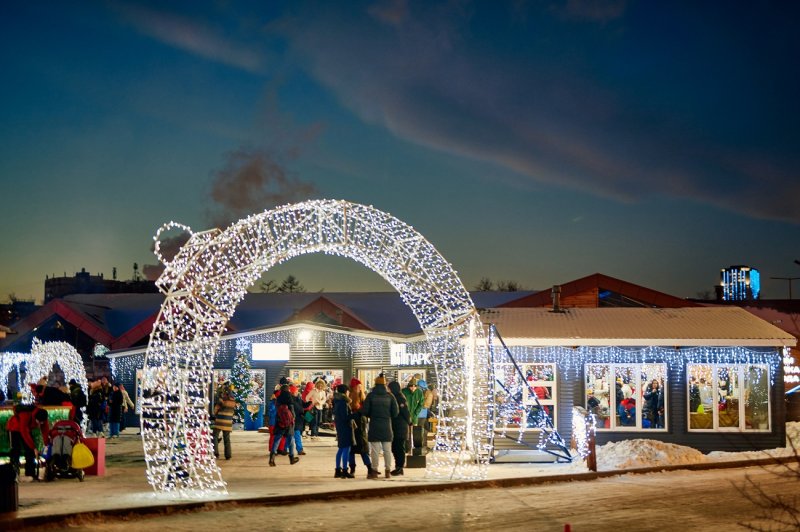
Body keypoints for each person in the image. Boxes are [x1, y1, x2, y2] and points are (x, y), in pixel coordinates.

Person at [360, 373, 398, 479]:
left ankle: (374, 470)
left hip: (374, 425)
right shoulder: (390, 396)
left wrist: (372, 415)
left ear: (375, 384)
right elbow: (395, 412)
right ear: (385, 384)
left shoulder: (371, 396)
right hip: (387, 425)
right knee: (387, 450)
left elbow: (365, 411)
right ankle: (387, 471)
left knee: (375, 450)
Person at [7, 403, 50, 481]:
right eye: (39, 422)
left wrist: (47, 445)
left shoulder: (43, 417)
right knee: (16, 450)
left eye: (42, 422)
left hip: (27, 429)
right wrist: (34, 448)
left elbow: (45, 431)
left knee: (30, 452)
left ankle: (30, 474)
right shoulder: (25, 414)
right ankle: (13, 473)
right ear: (35, 418)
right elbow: (24, 431)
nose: (40, 424)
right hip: (14, 428)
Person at [347, 378, 372, 477]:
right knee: (352, 449)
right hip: (353, 426)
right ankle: (352, 468)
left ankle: (369, 468)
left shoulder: (362, 397)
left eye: (360, 387)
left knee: (362, 449)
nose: (360, 389)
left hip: (361, 426)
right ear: (353, 388)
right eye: (358, 387)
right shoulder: (349, 398)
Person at [269, 387, 299, 466]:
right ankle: (292, 458)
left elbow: (276, 411)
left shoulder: (278, 399)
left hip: (280, 422)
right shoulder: (290, 398)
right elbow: (293, 413)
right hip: (289, 424)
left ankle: (272, 458)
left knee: (277, 440)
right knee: (291, 441)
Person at [388, 380, 411, 476]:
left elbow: (405, 412)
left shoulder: (400, 398)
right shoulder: (394, 397)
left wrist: (409, 422)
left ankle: (400, 467)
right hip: (396, 426)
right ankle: (398, 466)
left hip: (400, 427)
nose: (388, 390)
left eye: (389, 388)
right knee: (395, 447)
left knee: (399, 448)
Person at [333, 383, 355, 478]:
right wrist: (355, 414)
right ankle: (345, 470)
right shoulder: (343, 402)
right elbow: (345, 417)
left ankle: (338, 470)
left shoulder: (337, 401)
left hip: (340, 427)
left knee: (341, 448)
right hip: (345, 427)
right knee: (346, 448)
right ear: (345, 392)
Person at [212, 382, 236, 460]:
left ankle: (216, 453)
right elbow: (233, 411)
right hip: (228, 422)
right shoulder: (233, 401)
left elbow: (216, 409)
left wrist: (214, 414)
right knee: (227, 438)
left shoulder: (222, 399)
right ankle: (228, 455)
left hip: (220, 420)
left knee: (215, 436)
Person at [290, 385, 308, 456]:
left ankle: (284, 449)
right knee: (296, 435)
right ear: (293, 392)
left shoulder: (298, 398)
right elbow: (297, 409)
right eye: (296, 391)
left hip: (299, 420)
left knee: (292, 436)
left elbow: (304, 405)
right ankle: (299, 450)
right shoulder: (291, 400)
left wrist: (310, 402)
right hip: (294, 420)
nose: (297, 392)